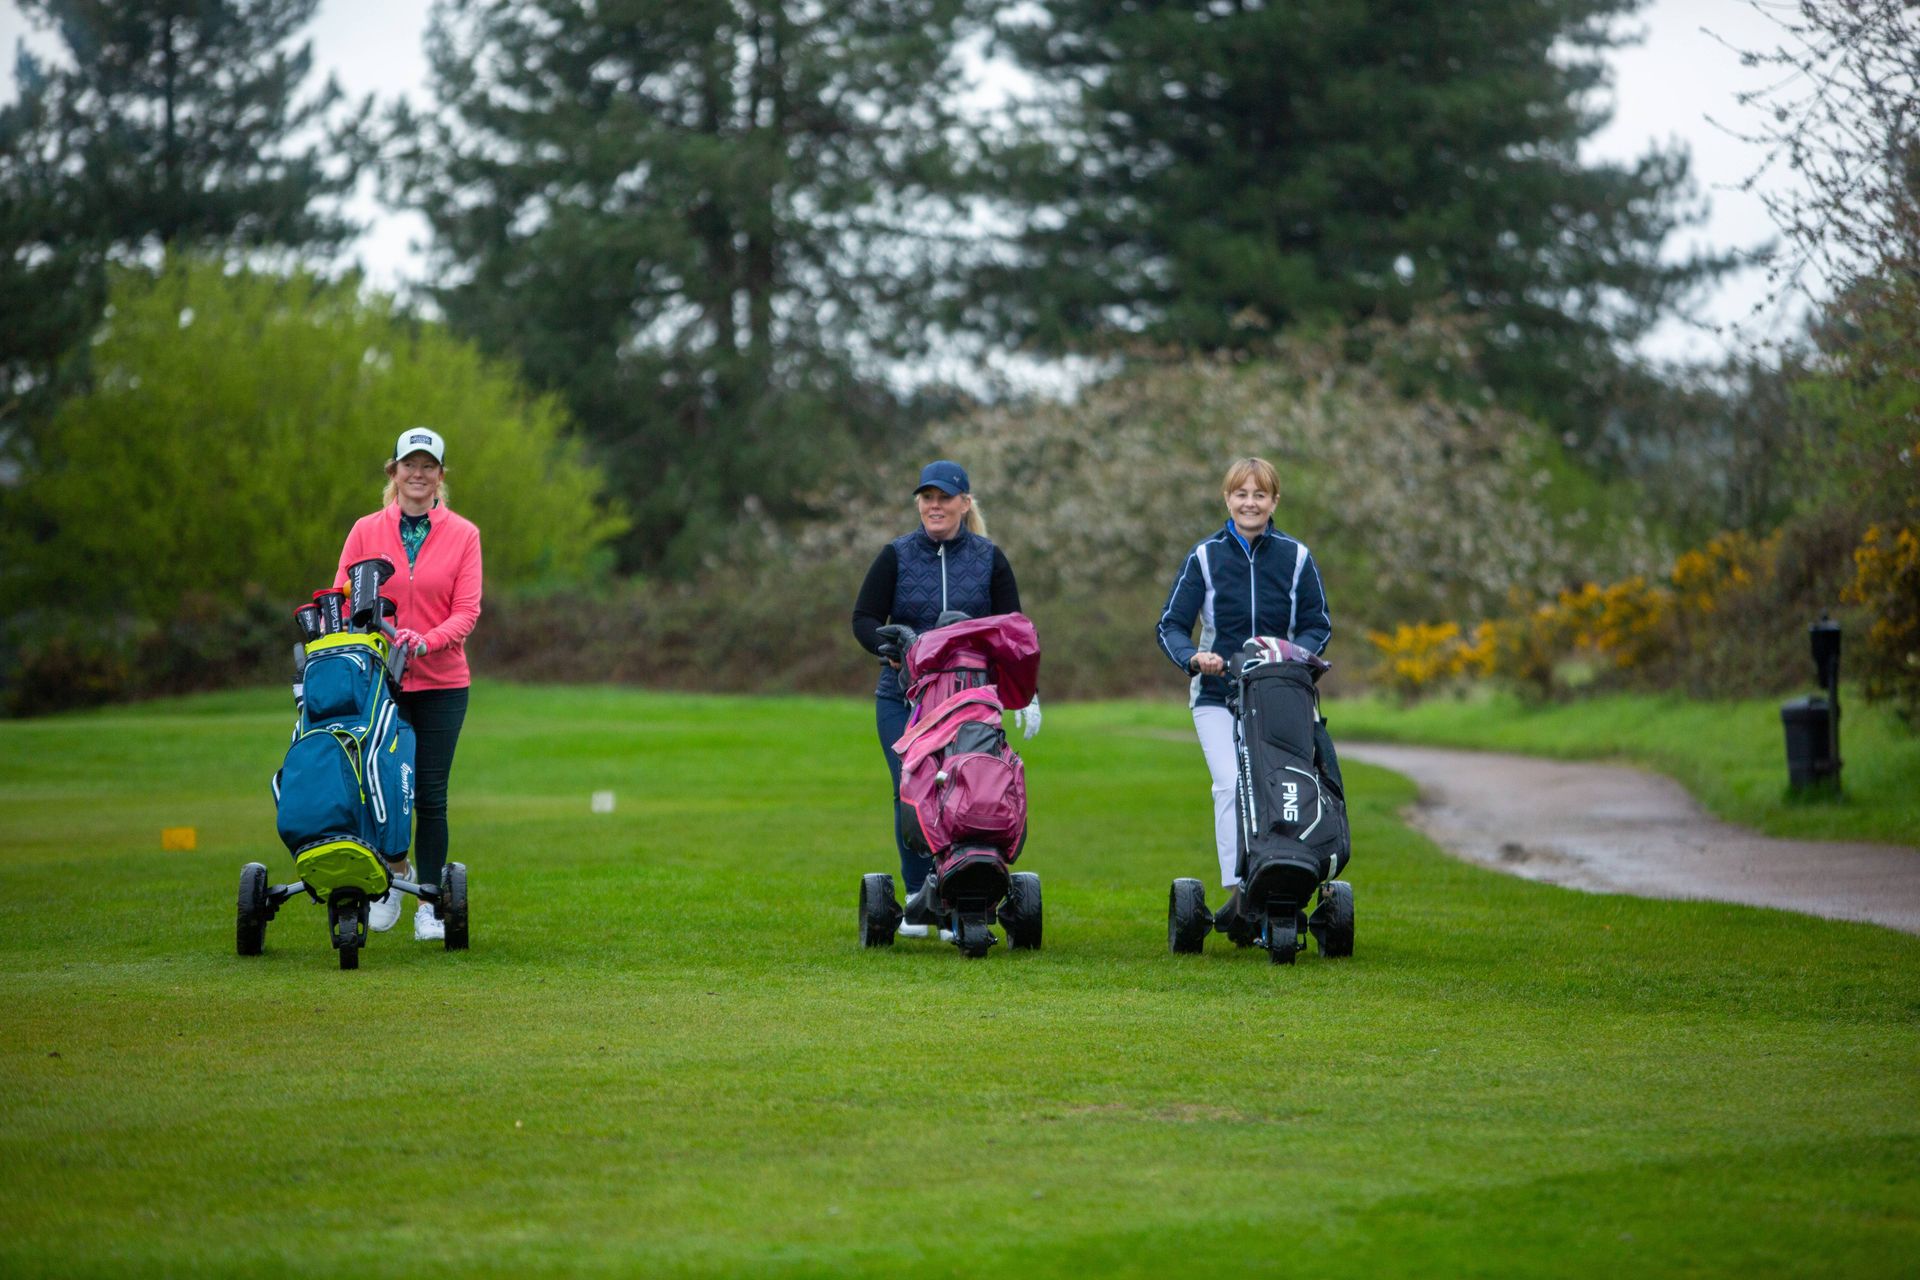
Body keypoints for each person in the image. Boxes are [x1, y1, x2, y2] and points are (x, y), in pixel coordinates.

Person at [851, 460, 1036, 936]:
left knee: (969, 786)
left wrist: (1027, 692)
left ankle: (960, 894)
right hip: (903, 699)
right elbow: (864, 618)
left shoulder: (989, 558)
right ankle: (919, 892)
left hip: (969, 699)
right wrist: (889, 648)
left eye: (945, 498)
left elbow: (1012, 630)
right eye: (927, 498)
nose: (935, 506)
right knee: (911, 789)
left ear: (964, 503)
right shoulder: (896, 555)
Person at [1155, 456, 1331, 934]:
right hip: (1218, 696)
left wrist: (1296, 655)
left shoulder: (1296, 557)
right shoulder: (1205, 557)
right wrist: (1195, 657)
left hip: (1281, 696)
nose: (1249, 503)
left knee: (1286, 787)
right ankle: (1240, 888)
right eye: (1241, 494)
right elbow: (1171, 625)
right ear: (1227, 499)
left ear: (1274, 501)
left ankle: (1286, 873)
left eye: (1259, 494)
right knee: (1232, 784)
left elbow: (1317, 624)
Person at [336, 426, 484, 941]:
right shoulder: (364, 531)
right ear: (393, 472)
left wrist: (426, 641)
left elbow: (466, 612)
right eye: (409, 465)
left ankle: (430, 905)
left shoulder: (464, 535)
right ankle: (394, 877)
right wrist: (381, 636)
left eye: (428, 466)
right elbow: (345, 598)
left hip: (443, 683)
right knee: (378, 787)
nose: (417, 474)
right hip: (380, 682)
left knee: (430, 797)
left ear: (440, 476)